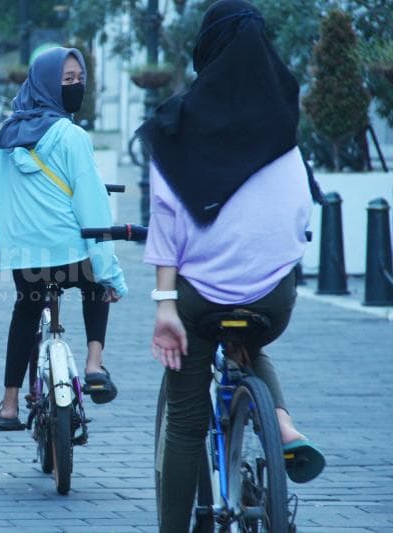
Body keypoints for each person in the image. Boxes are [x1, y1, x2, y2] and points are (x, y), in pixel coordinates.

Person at [138, 2, 326, 530]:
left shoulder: (177, 124)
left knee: (185, 424)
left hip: (199, 300)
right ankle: (281, 423)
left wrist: (164, 306)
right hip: (273, 298)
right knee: (250, 345)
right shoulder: (284, 126)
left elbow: (166, 225)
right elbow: (300, 215)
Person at [0, 47, 127, 430]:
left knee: (26, 311)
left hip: (25, 259)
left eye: (78, 79)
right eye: (67, 80)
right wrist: (111, 275)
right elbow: (93, 210)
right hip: (71, 256)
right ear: (50, 86)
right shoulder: (72, 137)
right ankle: (93, 364)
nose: (75, 86)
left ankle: (8, 405)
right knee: (94, 287)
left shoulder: (8, 136)